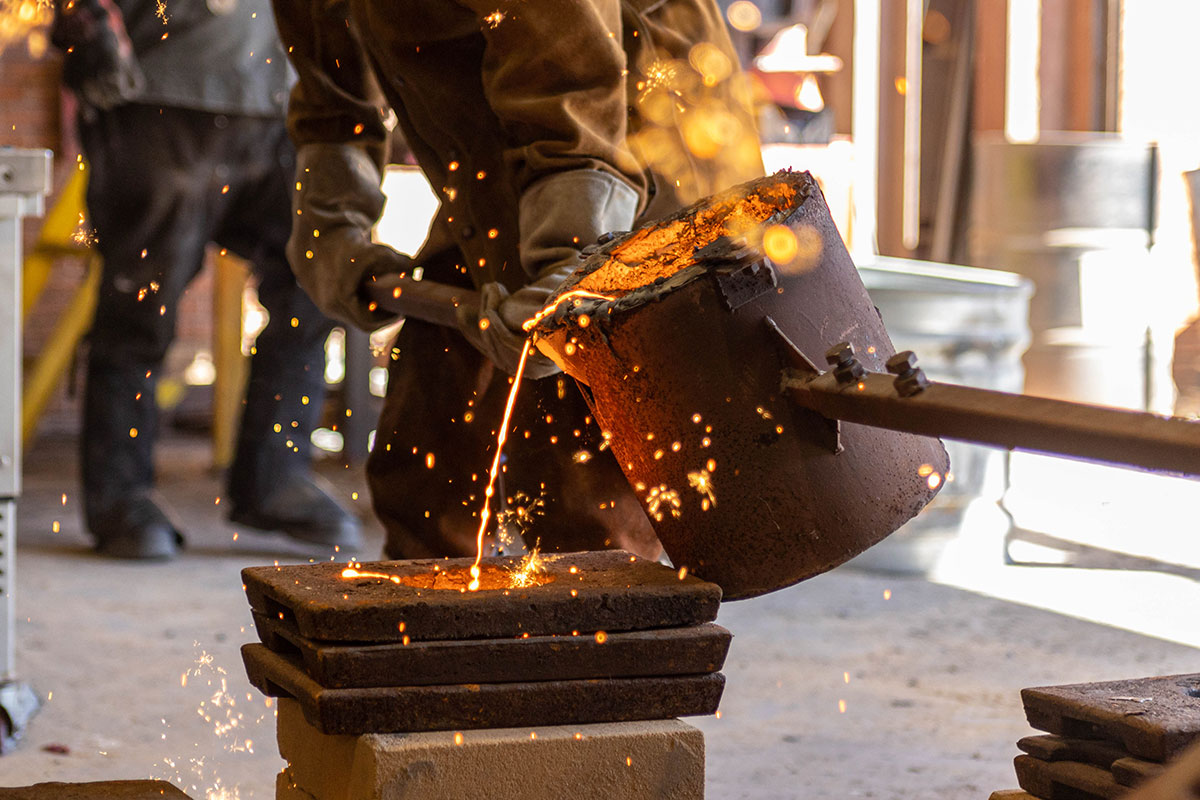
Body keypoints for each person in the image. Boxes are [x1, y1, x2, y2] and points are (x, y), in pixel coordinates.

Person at [272, 0, 763, 560]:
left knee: (580, 478)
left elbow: (569, 64)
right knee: (428, 451)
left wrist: (572, 256)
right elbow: (331, 89)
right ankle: (425, 630)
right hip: (497, 157)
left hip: (632, 129)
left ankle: (597, 619)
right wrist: (329, 218)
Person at [51, 0, 362, 559]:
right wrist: (87, 22)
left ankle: (273, 478)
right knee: (140, 307)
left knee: (317, 285)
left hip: (288, 102)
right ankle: (121, 498)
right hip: (162, 96)